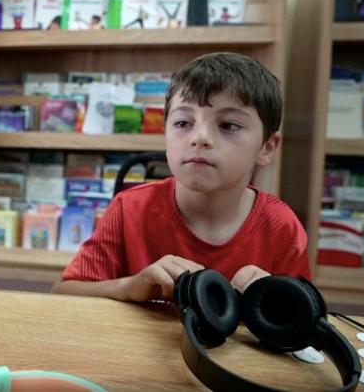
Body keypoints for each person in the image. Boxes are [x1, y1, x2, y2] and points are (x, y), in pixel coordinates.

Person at [52, 52, 309, 303]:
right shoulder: (128, 209)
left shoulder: (282, 227)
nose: (200, 138)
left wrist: (274, 302)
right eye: (183, 123)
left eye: (229, 125)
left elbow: (304, 324)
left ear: (267, 147)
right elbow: (64, 293)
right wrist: (129, 286)